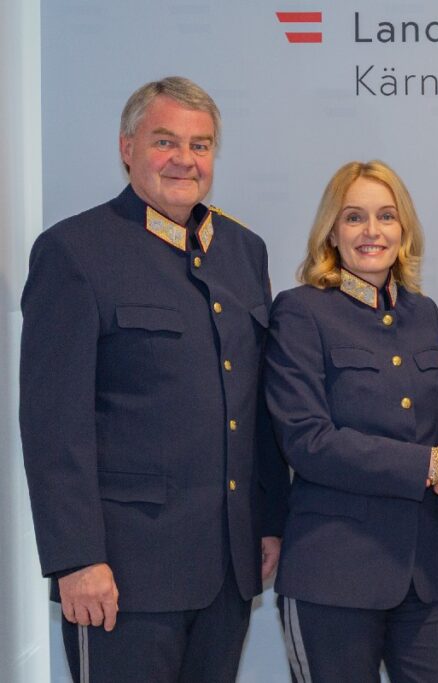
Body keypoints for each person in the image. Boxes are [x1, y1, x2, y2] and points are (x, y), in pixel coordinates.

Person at [19, 76, 290, 682]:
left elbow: (256, 405)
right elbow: (53, 424)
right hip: (124, 575)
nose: (184, 160)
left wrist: (270, 522)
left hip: (226, 568)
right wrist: (78, 558)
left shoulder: (245, 251)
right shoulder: (74, 251)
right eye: (165, 141)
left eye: (200, 145)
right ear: (127, 147)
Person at [263, 160, 438, 683]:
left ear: (403, 230)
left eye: (386, 216)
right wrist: (427, 465)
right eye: (355, 217)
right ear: (331, 232)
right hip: (333, 575)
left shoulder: (423, 313)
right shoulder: (300, 312)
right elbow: (307, 441)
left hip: (429, 575)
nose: (372, 231)